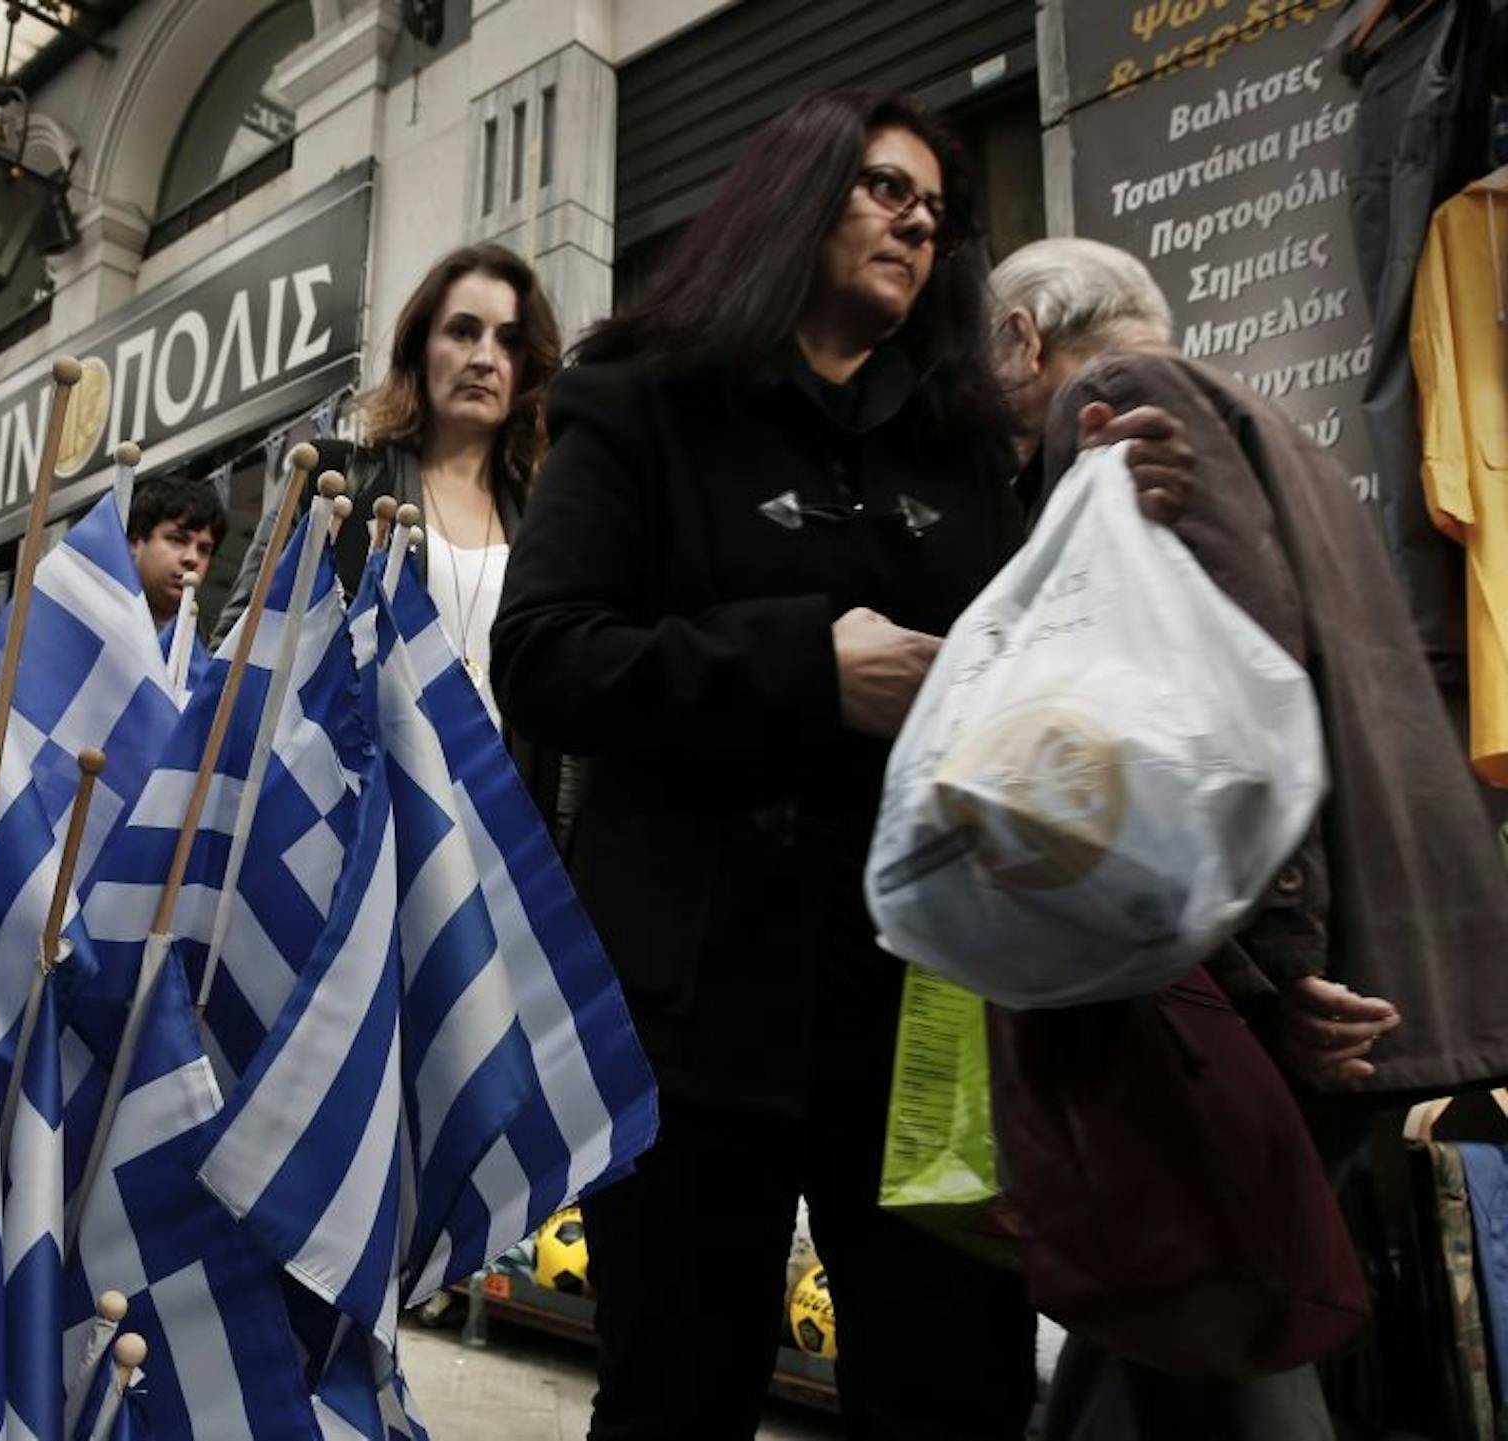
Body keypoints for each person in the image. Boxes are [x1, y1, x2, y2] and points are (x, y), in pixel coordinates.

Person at [489, 90, 1192, 1441]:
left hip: (922, 1013)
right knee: (676, 1386)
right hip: (694, 1005)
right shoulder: (642, 400)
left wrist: (1104, 521)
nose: (920, 218)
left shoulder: (968, 450)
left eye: (937, 205)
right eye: (885, 187)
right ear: (795, 196)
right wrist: (808, 666)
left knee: (955, 1386)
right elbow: (550, 656)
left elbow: (1042, 693)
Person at [989, 236, 1508, 1441]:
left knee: (1219, 1335)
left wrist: (1275, 975)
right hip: (1334, 976)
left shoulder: (1115, 404)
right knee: (1165, 1348)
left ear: (1023, 337)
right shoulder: (1281, 429)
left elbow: (1228, 701)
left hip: (1249, 1005)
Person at [215, 244, 561, 732]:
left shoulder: (545, 525)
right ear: (420, 347)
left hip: (499, 801)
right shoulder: (331, 482)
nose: (485, 358)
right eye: (462, 332)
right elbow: (235, 654)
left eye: (509, 341)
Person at [126, 473, 226, 632]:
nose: (193, 559)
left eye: (204, 549)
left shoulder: (200, 651)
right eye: (177, 540)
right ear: (135, 543)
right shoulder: (86, 618)